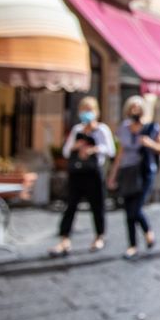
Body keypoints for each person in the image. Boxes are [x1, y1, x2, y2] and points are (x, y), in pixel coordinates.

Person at [50, 97, 114, 256]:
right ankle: (64, 239)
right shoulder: (77, 130)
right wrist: (75, 146)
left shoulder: (101, 130)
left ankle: (99, 236)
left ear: (96, 112)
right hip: (77, 173)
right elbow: (65, 151)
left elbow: (111, 150)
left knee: (97, 206)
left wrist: (95, 149)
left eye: (89, 110)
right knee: (70, 206)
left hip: (94, 172)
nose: (86, 113)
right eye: (84, 110)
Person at [108, 96, 160, 259]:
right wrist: (113, 174)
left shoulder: (152, 127)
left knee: (136, 208)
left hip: (145, 172)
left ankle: (147, 231)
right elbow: (120, 153)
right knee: (128, 210)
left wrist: (149, 143)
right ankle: (132, 245)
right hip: (127, 171)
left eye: (138, 107)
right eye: (132, 107)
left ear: (143, 110)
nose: (134, 110)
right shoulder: (124, 128)